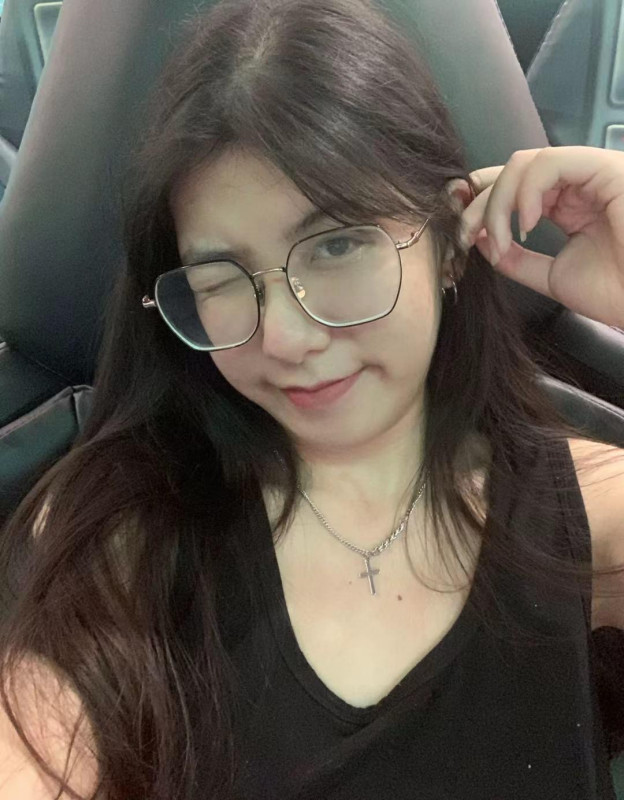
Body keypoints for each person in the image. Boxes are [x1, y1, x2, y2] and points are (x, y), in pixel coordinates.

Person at [0, 0, 623, 798]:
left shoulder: (586, 512)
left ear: (449, 244)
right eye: (222, 278)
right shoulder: (124, 538)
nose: (286, 339)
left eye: (336, 245)